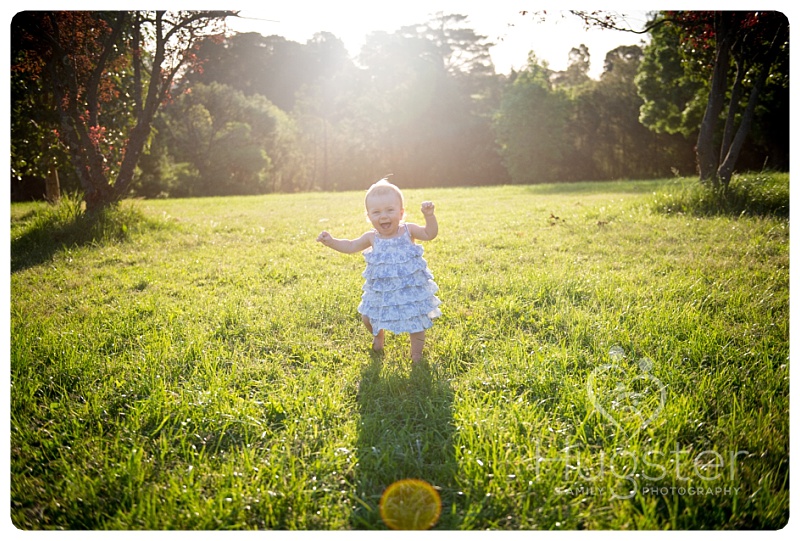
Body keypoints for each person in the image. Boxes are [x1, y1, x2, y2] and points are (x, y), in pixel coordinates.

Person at [316, 178, 441, 363]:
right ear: (369, 216)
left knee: (417, 323)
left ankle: (416, 354)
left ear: (401, 212)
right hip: (381, 291)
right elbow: (350, 245)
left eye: (390, 210)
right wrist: (331, 241)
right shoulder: (371, 237)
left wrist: (429, 216)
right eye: (376, 212)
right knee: (367, 317)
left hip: (409, 291)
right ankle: (378, 335)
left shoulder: (409, 230)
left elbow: (430, 234)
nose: (383, 216)